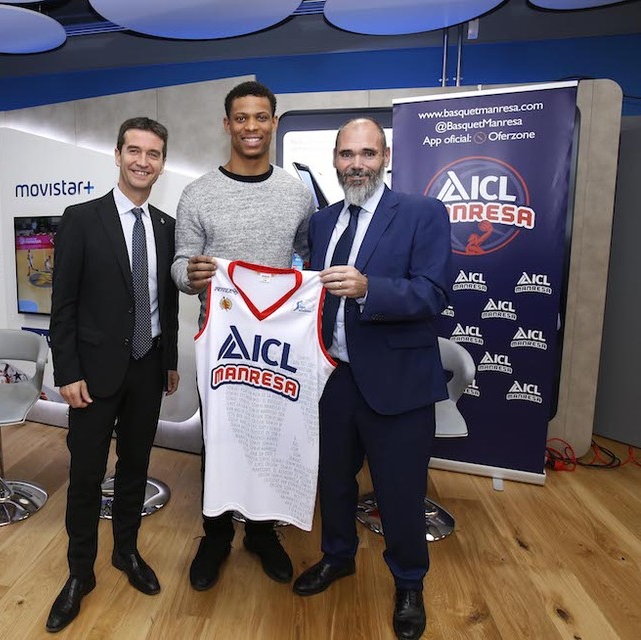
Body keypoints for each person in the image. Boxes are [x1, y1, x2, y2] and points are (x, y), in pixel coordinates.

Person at [293, 117, 451, 640]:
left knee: (400, 492)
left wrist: (369, 289)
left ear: (385, 158)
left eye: (367, 153)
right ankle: (337, 557)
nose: (356, 164)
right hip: (333, 377)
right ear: (335, 160)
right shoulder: (322, 222)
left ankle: (409, 582)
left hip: (398, 381)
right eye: (346, 154)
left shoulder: (423, 213)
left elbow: (433, 294)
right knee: (334, 481)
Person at [171, 80, 315, 591]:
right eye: (241, 118)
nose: (251, 127)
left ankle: (260, 532)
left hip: (278, 345)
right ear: (226, 124)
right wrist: (191, 274)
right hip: (221, 343)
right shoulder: (198, 193)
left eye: (260, 117)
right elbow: (179, 265)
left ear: (273, 122)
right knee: (219, 439)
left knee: (271, 437)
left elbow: (307, 259)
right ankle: (215, 536)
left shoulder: (297, 193)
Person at [46, 117, 180, 634]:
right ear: (118, 154)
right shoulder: (81, 219)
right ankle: (80, 574)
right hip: (93, 375)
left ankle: (126, 551)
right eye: (135, 150)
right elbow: (63, 305)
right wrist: (67, 370)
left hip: (148, 367)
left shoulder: (166, 225)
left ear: (162, 163)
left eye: (153, 153)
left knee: (135, 466)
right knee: (85, 476)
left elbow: (167, 302)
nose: (143, 161)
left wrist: (169, 361)